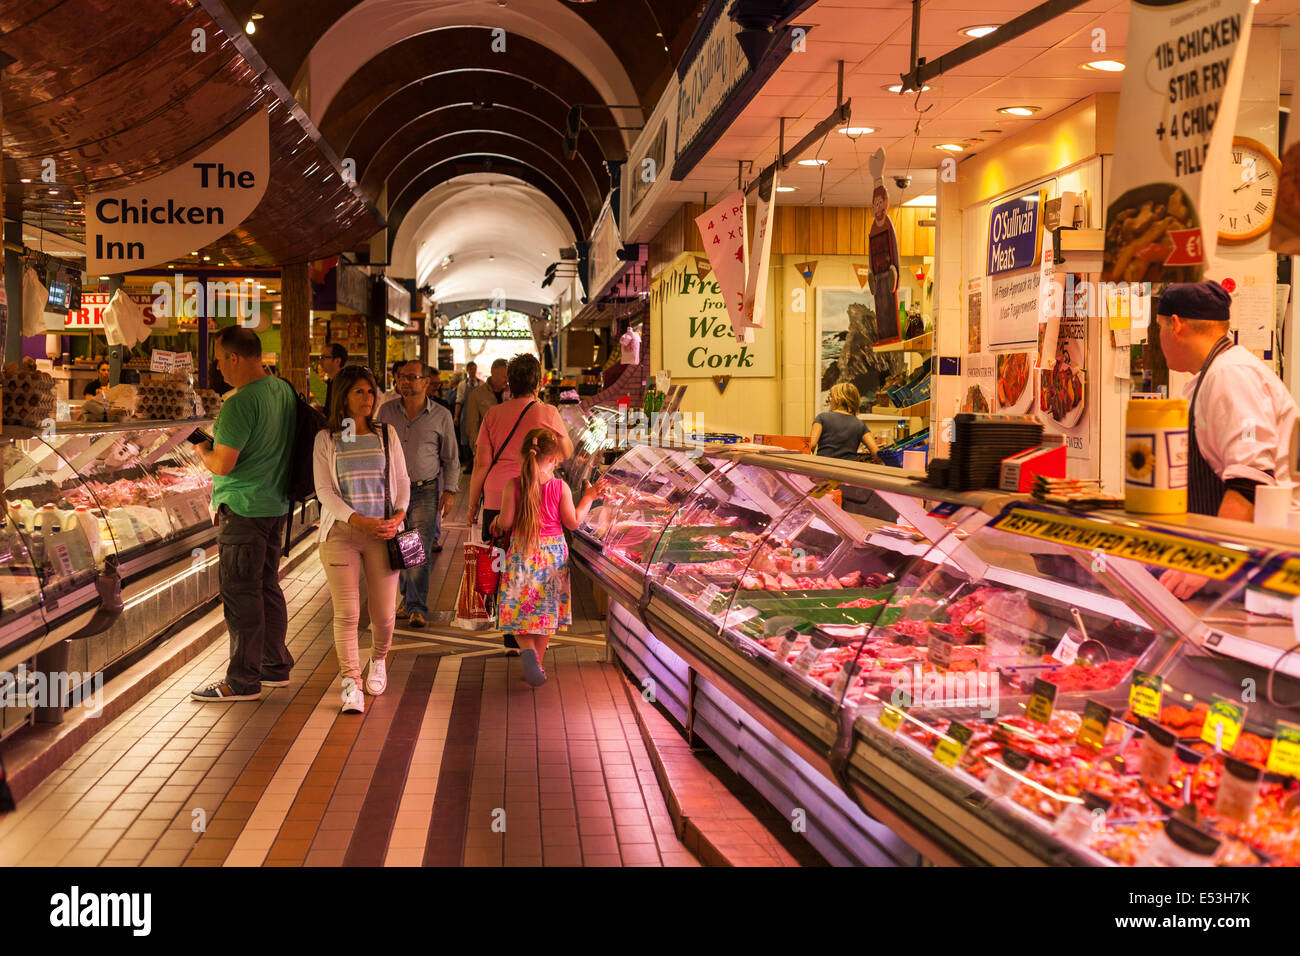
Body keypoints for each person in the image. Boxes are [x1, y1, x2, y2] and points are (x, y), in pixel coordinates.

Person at [1154, 280, 1299, 598]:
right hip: (1235, 564)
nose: (1159, 338)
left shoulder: (1230, 376)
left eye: (1160, 327)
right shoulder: (1210, 376)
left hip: (1258, 568)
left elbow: (1251, 477)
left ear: (1175, 325)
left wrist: (1207, 559)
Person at [190, 327, 297, 702]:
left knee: (240, 593)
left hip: (244, 508)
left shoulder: (238, 403)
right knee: (267, 585)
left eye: (220, 359)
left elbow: (223, 463)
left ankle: (242, 681)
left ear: (235, 357)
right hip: (275, 506)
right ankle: (274, 666)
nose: (219, 368)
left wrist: (202, 446)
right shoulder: (281, 389)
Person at [313, 365, 410, 713]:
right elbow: (324, 491)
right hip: (341, 534)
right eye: (359, 392)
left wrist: (398, 516)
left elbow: (402, 480)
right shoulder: (328, 438)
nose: (368, 398)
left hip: (384, 533)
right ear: (343, 396)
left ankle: (379, 659)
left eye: (371, 391)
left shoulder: (387, 434)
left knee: (383, 615)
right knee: (347, 613)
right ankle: (350, 683)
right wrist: (357, 520)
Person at [467, 354, 574, 649]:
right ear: (538, 382)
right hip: (534, 495)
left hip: (497, 495)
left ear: (508, 383)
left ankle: (511, 629)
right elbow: (566, 452)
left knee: (504, 563)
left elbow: (480, 463)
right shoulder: (548, 412)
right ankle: (529, 630)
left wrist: (472, 503)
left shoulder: (493, 414)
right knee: (530, 565)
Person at [492, 428, 600, 686]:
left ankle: (529, 653)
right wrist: (588, 497)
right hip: (552, 556)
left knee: (519, 614)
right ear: (552, 460)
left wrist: (495, 520)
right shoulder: (559, 487)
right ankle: (536, 664)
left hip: (522, 553)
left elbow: (506, 522)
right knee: (545, 614)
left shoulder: (513, 485)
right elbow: (572, 522)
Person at [377, 360, 459, 629]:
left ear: (426, 383)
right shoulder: (386, 411)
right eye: (401, 377)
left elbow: (450, 457)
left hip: (425, 490)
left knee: (418, 547)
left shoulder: (441, 415)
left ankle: (416, 606)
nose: (405, 382)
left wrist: (449, 490)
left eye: (412, 377)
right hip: (393, 492)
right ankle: (408, 600)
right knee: (402, 544)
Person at [810, 383, 880, 461]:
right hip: (848, 469)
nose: (830, 400)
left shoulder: (822, 418)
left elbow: (811, 445)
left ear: (837, 399)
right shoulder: (860, 425)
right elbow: (876, 452)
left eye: (831, 396)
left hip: (824, 468)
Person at [463, 357, 509, 466]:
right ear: (493, 372)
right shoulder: (476, 395)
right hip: (486, 454)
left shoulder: (513, 394)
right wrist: (478, 452)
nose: (507, 380)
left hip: (508, 454)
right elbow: (472, 426)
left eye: (508, 377)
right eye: (504, 377)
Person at [317, 343, 347, 413]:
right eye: (320, 357)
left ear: (337, 361)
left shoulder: (343, 384)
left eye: (324, 357)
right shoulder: (331, 381)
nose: (320, 361)